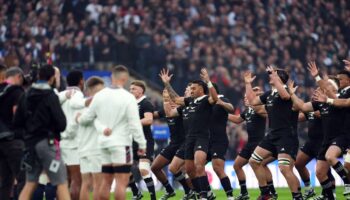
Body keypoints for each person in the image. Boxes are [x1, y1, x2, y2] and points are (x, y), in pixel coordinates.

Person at [76, 65, 146, 200]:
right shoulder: (128, 97)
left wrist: (79, 118)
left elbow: (88, 118)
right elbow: (134, 123)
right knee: (121, 182)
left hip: (103, 144)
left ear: (111, 77)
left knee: (105, 182)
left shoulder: (99, 96)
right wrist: (142, 144)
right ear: (125, 79)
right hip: (121, 144)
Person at [159, 68, 219, 199]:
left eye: (193, 88)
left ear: (201, 89)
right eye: (190, 88)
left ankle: (203, 195)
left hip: (202, 138)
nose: (191, 90)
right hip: (189, 139)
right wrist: (166, 84)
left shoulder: (206, 100)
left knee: (199, 166)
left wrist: (208, 81)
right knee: (190, 171)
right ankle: (204, 193)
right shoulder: (189, 102)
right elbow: (175, 99)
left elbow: (214, 98)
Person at [14, 64, 70, 200]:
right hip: (48, 143)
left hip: (30, 145)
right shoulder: (51, 96)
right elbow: (61, 123)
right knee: (61, 182)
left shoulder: (25, 95)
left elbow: (16, 123)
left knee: (30, 183)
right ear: (51, 79)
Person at [245, 67, 302, 200]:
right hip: (272, 135)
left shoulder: (287, 91)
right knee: (253, 161)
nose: (270, 76)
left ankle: (297, 197)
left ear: (279, 77)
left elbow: (285, 96)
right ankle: (266, 194)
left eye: (273, 74)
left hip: (286, 135)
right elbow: (253, 102)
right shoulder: (269, 94)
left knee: (284, 168)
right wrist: (248, 84)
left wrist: (275, 77)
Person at [229, 87, 277, 199]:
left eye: (247, 97)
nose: (245, 99)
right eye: (245, 97)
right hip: (250, 143)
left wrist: (256, 102)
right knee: (237, 165)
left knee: (262, 164)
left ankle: (271, 192)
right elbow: (237, 119)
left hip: (260, 142)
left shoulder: (260, 109)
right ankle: (244, 193)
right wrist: (224, 115)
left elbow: (268, 114)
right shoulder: (248, 111)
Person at [162, 84, 197, 200]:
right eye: (186, 89)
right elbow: (169, 113)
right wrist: (166, 100)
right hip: (185, 143)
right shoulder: (182, 107)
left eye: (189, 89)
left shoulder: (196, 103)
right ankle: (192, 192)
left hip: (196, 141)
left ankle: (199, 192)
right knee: (177, 169)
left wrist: (167, 85)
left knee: (191, 170)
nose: (186, 91)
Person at [77, 76, 105, 200]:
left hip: (82, 148)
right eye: (100, 90)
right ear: (90, 91)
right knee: (97, 183)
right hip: (95, 149)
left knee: (85, 183)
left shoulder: (80, 105)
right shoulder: (99, 106)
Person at [0, 67, 25, 200]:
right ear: (18, 77)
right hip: (13, 140)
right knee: (23, 179)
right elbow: (17, 113)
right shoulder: (16, 91)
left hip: (1, 141)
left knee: (5, 181)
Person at [59, 70, 85, 200]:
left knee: (64, 182)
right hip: (73, 142)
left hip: (60, 142)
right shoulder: (78, 95)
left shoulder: (60, 95)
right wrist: (68, 134)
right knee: (76, 180)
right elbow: (76, 119)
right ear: (81, 81)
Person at [129, 80, 156, 200]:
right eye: (130, 89)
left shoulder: (146, 103)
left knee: (143, 169)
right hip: (131, 141)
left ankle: (153, 198)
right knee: (124, 170)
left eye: (133, 89)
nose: (131, 91)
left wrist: (133, 124)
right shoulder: (130, 104)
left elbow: (149, 119)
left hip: (144, 142)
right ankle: (136, 193)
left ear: (141, 91)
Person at [207, 83, 234, 199]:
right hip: (205, 140)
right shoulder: (205, 103)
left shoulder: (222, 99)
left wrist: (221, 103)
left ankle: (230, 196)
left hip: (219, 139)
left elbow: (231, 108)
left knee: (217, 167)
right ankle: (207, 193)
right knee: (194, 166)